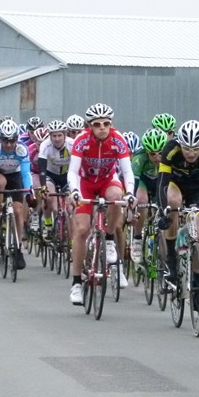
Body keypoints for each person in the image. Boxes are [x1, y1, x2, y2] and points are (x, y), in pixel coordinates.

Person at [67, 103, 135, 305]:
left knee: (117, 195)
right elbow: (73, 171)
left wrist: (130, 193)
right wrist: (75, 191)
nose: (102, 128)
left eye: (106, 123)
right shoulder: (81, 140)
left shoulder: (118, 139)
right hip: (85, 183)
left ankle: (110, 239)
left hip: (107, 180)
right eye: (97, 124)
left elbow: (127, 171)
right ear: (90, 126)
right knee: (81, 230)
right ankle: (76, 283)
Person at [157, 120, 199, 302]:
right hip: (175, 185)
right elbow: (162, 182)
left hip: (197, 189)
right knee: (173, 202)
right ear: (180, 144)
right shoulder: (170, 149)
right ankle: (171, 259)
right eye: (186, 149)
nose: (191, 153)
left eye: (195, 149)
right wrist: (164, 211)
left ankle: (198, 280)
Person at [0, 119, 36, 269]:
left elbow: (26, 174)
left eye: (12, 140)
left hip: (15, 176)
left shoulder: (22, 149)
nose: (9, 145)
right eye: (5, 140)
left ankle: (18, 248)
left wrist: (29, 193)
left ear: (17, 138)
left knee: (18, 210)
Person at [130, 128, 167, 263]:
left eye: (160, 153)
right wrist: (133, 206)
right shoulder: (139, 159)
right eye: (152, 154)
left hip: (160, 181)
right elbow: (134, 183)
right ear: (146, 152)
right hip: (143, 182)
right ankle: (137, 238)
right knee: (142, 200)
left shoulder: (169, 157)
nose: (157, 157)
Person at [38, 120, 74, 241]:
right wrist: (43, 187)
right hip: (50, 175)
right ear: (50, 136)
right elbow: (42, 169)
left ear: (65, 135)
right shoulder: (45, 145)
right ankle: (48, 224)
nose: (57, 139)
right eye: (54, 136)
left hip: (67, 176)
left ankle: (72, 240)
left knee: (70, 207)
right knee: (49, 198)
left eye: (59, 135)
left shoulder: (72, 144)